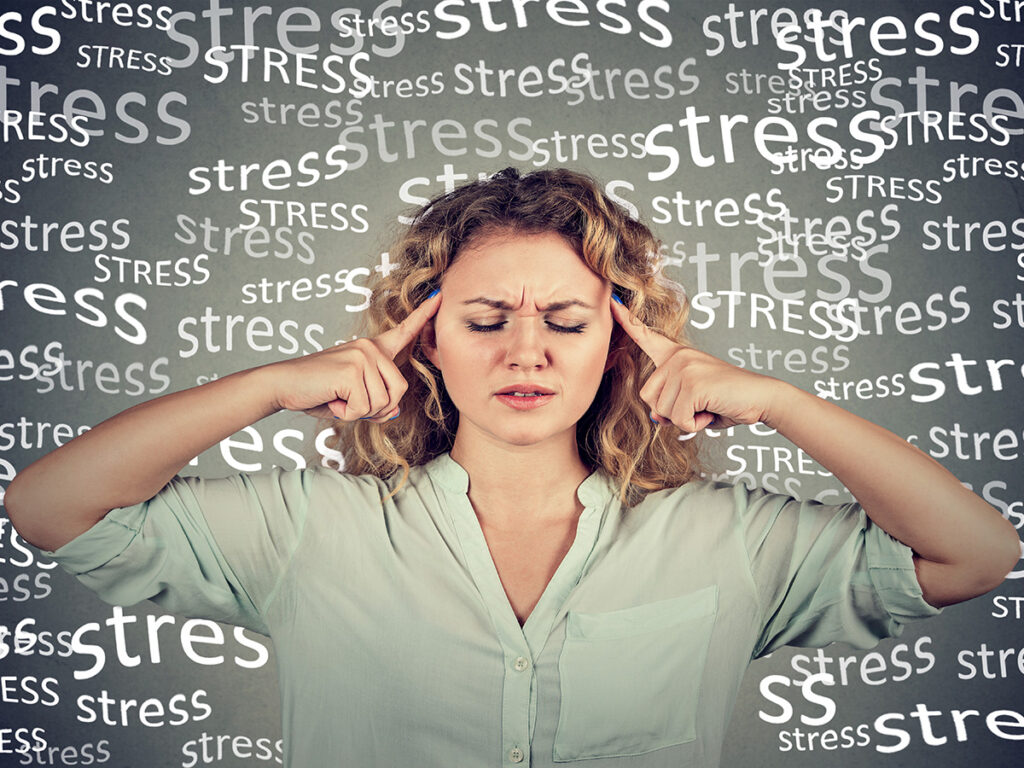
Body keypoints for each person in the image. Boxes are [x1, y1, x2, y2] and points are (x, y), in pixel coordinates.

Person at [5, 167, 1019, 767]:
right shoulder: (307, 525)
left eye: (565, 321)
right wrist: (270, 384)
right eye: (484, 320)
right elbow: (47, 508)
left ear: (615, 345)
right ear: (430, 342)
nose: (524, 351)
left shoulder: (731, 536)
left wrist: (788, 404)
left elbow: (977, 555)